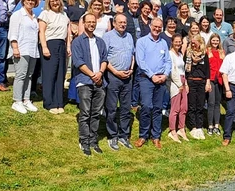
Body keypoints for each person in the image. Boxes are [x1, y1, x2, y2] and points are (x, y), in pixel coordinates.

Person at [72, 12, 108, 156]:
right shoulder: (77, 42)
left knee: (96, 113)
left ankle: (93, 141)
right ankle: (84, 142)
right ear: (84, 24)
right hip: (85, 81)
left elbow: (105, 59)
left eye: (93, 22)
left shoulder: (100, 42)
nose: (91, 24)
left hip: (99, 82)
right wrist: (92, 75)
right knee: (85, 113)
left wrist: (100, 73)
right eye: (89, 22)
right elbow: (78, 62)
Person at [134, 17, 171, 148]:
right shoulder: (142, 42)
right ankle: (143, 135)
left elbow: (168, 61)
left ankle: (156, 136)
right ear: (150, 26)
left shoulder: (163, 43)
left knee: (157, 109)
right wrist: (152, 75)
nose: (157, 29)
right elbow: (140, 61)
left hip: (161, 80)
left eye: (159, 27)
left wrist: (165, 75)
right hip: (146, 79)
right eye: (155, 26)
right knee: (146, 106)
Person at [102, 11, 136, 151]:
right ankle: (112, 135)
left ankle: (124, 135)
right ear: (114, 23)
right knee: (111, 108)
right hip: (113, 76)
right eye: (120, 22)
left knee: (125, 108)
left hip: (128, 77)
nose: (123, 24)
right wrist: (115, 72)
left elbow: (132, 55)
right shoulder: (107, 37)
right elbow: (104, 58)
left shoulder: (129, 36)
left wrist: (132, 68)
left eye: (124, 22)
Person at [39, 0, 72, 114]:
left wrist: (68, 46)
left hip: (61, 45)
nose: (55, 3)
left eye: (57, 0)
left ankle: (59, 102)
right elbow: (41, 32)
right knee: (49, 75)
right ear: (49, 2)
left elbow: (68, 33)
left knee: (60, 74)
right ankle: (49, 103)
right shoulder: (45, 14)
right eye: (52, 1)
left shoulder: (64, 15)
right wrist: (44, 47)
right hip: (50, 44)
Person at [9, 0, 40, 114]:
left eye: (33, 0)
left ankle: (26, 99)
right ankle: (17, 101)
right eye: (28, 0)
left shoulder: (34, 16)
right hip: (21, 49)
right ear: (23, 1)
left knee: (29, 75)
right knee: (21, 75)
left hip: (32, 50)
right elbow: (13, 33)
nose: (31, 2)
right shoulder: (17, 15)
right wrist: (15, 48)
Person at [185, 34, 210, 139]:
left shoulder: (204, 54)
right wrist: (185, 83)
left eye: (195, 42)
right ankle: (193, 126)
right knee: (192, 106)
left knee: (200, 105)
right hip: (191, 81)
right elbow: (184, 70)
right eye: (192, 42)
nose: (193, 44)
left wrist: (208, 82)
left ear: (200, 43)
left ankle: (199, 126)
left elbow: (207, 70)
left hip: (201, 82)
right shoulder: (188, 54)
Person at [167, 33, 189, 143]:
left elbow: (183, 70)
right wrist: (179, 84)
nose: (178, 43)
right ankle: (172, 130)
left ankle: (181, 128)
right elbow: (172, 71)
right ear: (172, 42)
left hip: (183, 80)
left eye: (180, 42)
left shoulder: (180, 54)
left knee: (184, 107)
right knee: (175, 108)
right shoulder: (170, 54)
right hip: (175, 82)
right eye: (176, 41)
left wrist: (185, 84)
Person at [206, 32, 225, 136]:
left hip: (220, 80)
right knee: (211, 102)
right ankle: (210, 125)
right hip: (211, 79)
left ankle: (216, 125)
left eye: (217, 40)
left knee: (218, 103)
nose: (215, 42)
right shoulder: (207, 51)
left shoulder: (222, 52)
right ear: (210, 40)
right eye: (213, 40)